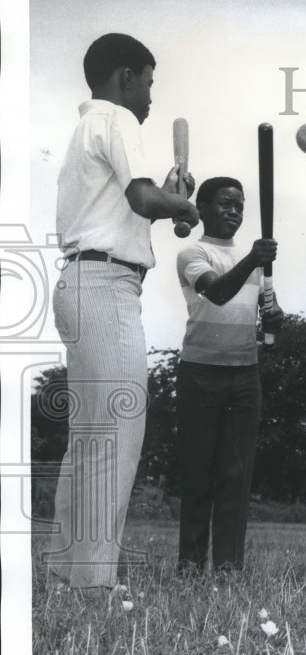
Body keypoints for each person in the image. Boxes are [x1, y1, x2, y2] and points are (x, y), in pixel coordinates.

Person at [47, 33, 200, 596]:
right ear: (125, 77)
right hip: (106, 286)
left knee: (89, 438)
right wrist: (185, 204)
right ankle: (94, 585)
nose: (152, 96)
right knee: (114, 436)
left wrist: (169, 195)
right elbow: (142, 201)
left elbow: (135, 203)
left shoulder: (86, 127)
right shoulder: (117, 119)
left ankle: (68, 577)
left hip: (84, 281)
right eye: (149, 82)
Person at [175, 176, 283, 573]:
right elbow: (217, 293)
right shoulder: (193, 253)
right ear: (201, 209)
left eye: (239, 205)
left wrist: (275, 317)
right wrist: (254, 260)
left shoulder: (253, 260)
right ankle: (189, 566)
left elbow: (269, 313)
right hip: (199, 374)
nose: (233, 212)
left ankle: (228, 569)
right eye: (223, 204)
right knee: (198, 474)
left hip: (244, 376)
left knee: (236, 478)